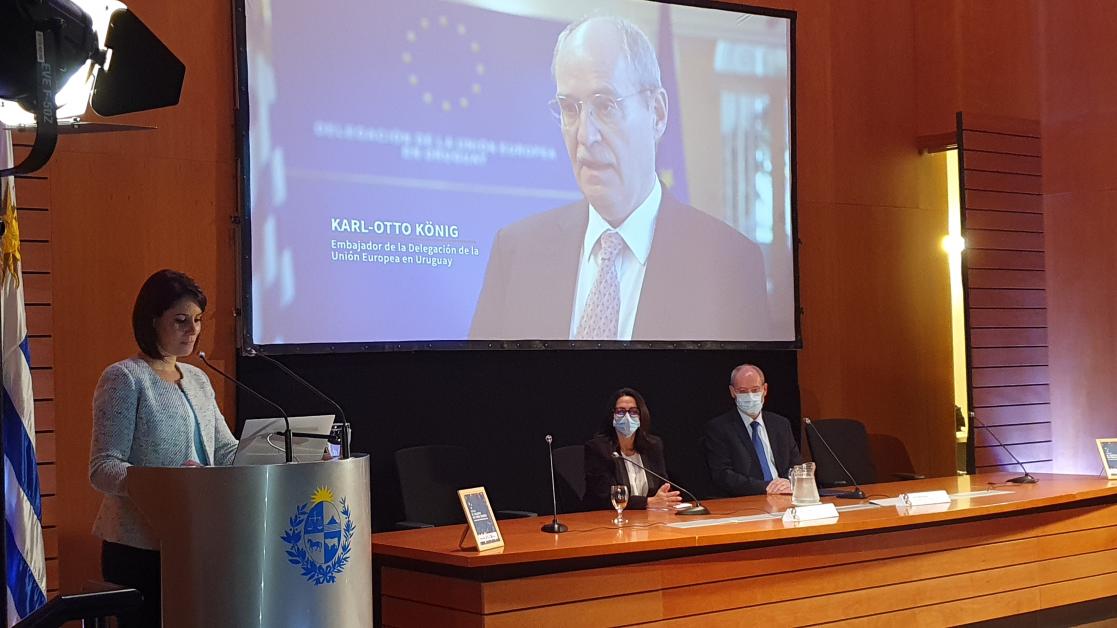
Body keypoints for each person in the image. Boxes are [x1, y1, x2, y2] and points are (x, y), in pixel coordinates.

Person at [470, 15, 770, 342]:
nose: (586, 135)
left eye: (606, 106)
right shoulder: (516, 252)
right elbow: (479, 387)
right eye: (570, 109)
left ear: (656, 113)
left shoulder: (728, 263)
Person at [89, 270, 238, 627]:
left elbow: (226, 452)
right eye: (181, 320)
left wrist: (287, 452)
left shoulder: (199, 378)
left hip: (196, 541)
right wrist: (167, 481)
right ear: (153, 321)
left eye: (198, 320)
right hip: (139, 550)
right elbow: (103, 468)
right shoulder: (125, 378)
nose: (193, 330)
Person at [704, 364, 801, 496]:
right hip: (749, 499)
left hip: (786, 495)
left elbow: (796, 466)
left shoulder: (781, 424)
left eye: (755, 390)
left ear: (765, 389)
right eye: (743, 391)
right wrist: (766, 487)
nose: (750, 396)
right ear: (732, 392)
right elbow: (723, 475)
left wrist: (789, 482)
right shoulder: (719, 428)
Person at [584, 387, 682, 511]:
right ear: (612, 416)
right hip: (607, 518)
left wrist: (664, 498)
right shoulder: (598, 448)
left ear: (641, 416)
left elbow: (663, 486)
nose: (627, 417)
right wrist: (648, 502)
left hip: (648, 519)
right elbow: (604, 496)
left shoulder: (653, 446)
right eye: (620, 411)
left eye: (633, 412)